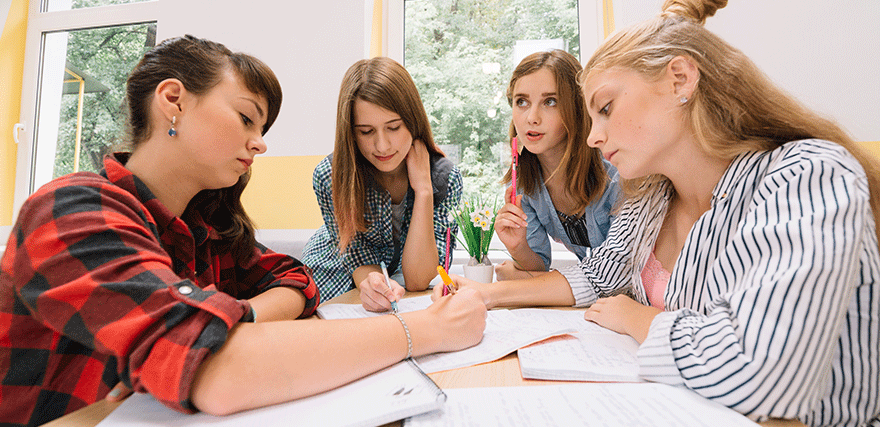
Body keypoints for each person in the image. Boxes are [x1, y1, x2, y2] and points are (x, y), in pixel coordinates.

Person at [436, 0, 880, 426]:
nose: (592, 137)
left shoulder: (807, 175)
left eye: (605, 109)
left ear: (680, 80)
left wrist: (638, 318)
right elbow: (598, 277)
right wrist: (486, 292)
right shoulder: (652, 196)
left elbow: (764, 374)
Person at [0, 36, 486, 427]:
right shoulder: (71, 209)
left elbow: (297, 280)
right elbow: (216, 369)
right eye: (246, 117)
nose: (259, 143)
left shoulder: (206, 225)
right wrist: (428, 328)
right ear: (173, 101)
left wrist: (238, 317)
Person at [302, 57, 462, 308]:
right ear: (351, 133)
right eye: (366, 132)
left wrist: (423, 191)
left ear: (413, 121)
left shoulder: (445, 179)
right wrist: (375, 286)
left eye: (394, 127)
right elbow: (358, 261)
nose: (382, 146)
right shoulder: (329, 176)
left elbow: (419, 279)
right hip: (333, 275)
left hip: (402, 283)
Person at [493, 49, 620, 281]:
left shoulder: (616, 174)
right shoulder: (525, 186)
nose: (532, 117)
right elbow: (539, 264)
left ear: (576, 107)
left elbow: (617, 271)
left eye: (550, 102)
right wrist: (518, 246)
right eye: (521, 101)